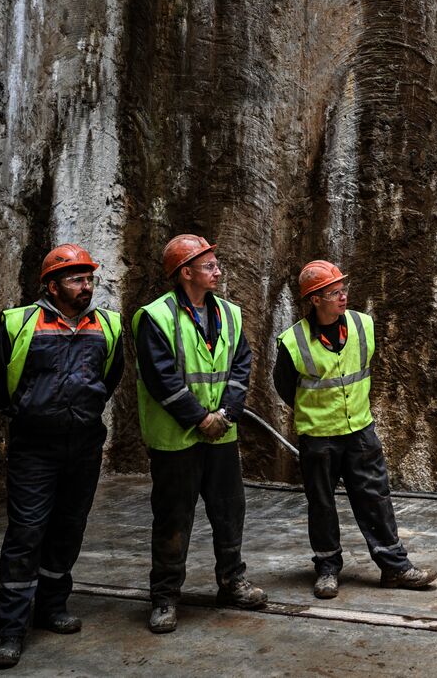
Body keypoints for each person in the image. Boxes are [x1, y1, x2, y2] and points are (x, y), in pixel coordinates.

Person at [0, 244, 124, 669]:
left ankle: (52, 607)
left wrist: (83, 411)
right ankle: (10, 630)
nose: (86, 286)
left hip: (84, 444)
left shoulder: (107, 326)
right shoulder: (20, 322)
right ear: (53, 285)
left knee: (68, 528)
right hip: (34, 448)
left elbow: (109, 377)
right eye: (77, 279)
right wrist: (22, 413)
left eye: (89, 278)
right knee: (26, 532)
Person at [272, 260, 437, 598]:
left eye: (342, 290)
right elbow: (285, 387)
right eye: (334, 293)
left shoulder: (363, 325)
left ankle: (394, 567)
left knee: (375, 497)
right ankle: (328, 569)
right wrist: (317, 412)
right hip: (318, 436)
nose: (343, 296)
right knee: (321, 504)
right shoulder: (293, 341)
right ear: (315, 300)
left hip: (360, 430)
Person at [132, 234, 266, 634]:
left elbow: (241, 366)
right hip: (177, 439)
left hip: (221, 434)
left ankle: (232, 581)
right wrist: (199, 418)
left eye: (216, 263)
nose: (218, 270)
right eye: (209, 265)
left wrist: (225, 413)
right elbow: (161, 378)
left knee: (229, 511)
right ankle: (165, 596)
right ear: (185, 272)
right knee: (173, 517)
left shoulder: (230, 313)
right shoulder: (155, 317)